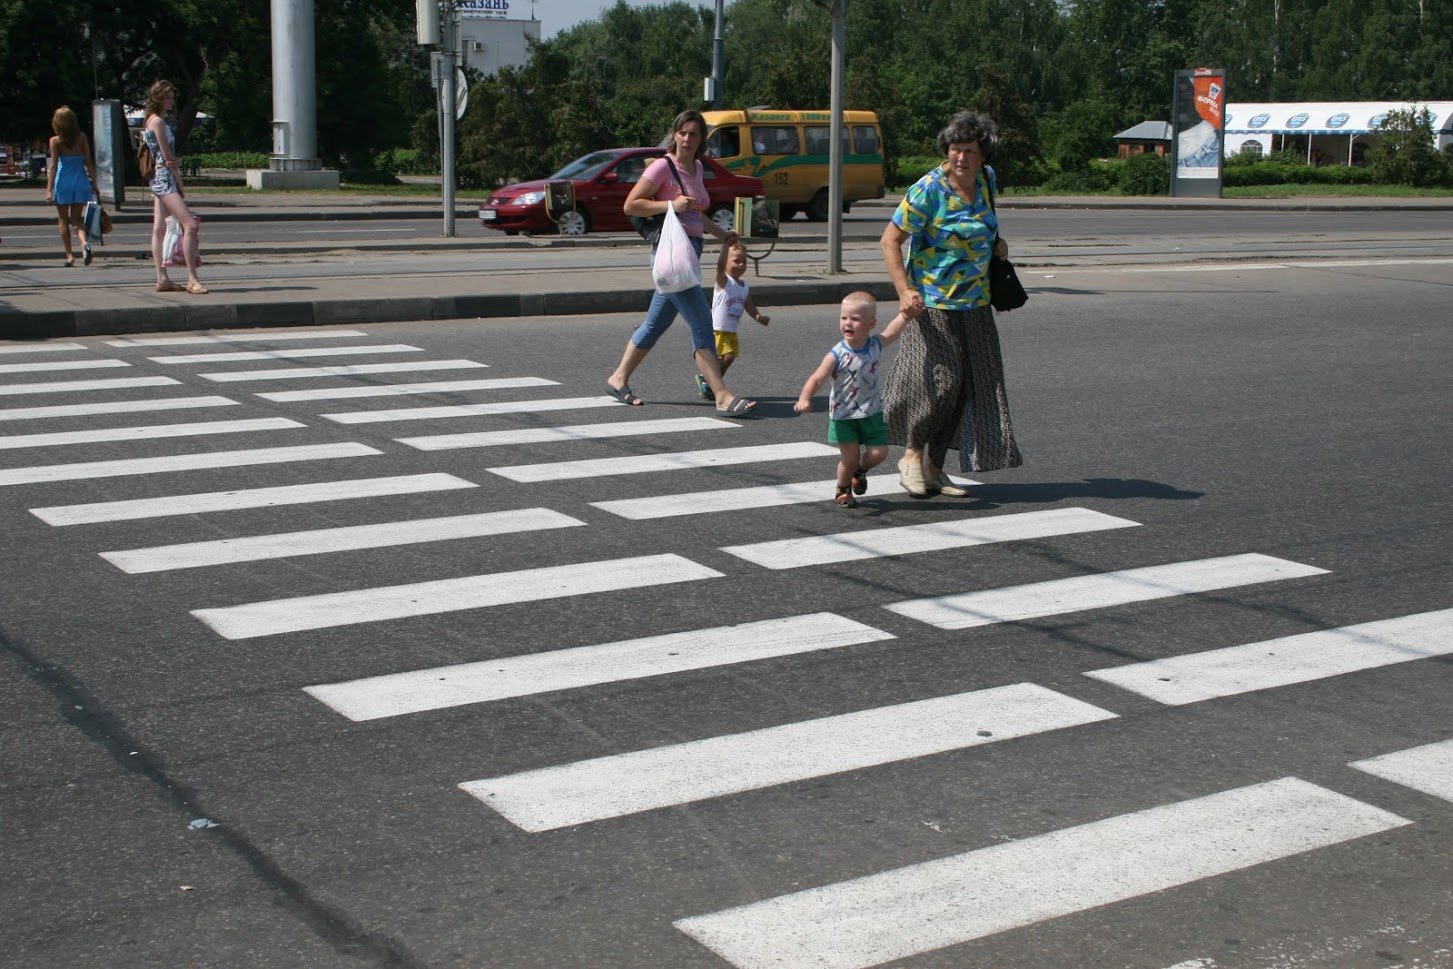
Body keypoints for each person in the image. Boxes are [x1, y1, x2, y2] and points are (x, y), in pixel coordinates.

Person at [879, 109, 1022, 499]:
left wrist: (997, 246)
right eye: (956, 149)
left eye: (969, 151)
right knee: (942, 382)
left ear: (983, 155)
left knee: (968, 389)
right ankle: (910, 455)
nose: (961, 157)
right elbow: (890, 240)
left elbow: (983, 226)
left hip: (977, 304)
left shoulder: (987, 182)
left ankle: (934, 467)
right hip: (933, 304)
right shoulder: (928, 189)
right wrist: (904, 290)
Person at [607, 109, 755, 416]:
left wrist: (720, 234)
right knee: (702, 322)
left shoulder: (697, 168)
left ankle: (618, 378)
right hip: (672, 256)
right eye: (683, 133)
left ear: (702, 139)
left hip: (691, 252)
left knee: (655, 324)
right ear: (674, 134)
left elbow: (695, 212)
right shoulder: (663, 167)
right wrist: (669, 204)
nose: (687, 139)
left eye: (694, 134)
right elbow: (630, 204)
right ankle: (722, 394)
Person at [794, 292, 909, 508]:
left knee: (879, 453)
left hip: (872, 411)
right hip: (844, 415)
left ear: (871, 323)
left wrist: (906, 315)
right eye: (844, 318)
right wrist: (805, 397)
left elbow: (892, 333)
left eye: (855, 319)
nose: (848, 323)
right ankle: (843, 489)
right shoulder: (837, 354)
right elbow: (818, 377)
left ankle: (860, 471)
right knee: (849, 458)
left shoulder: (875, 345)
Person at [142, 80, 207, 294]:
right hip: (164, 177)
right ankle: (192, 279)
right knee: (190, 224)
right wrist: (178, 177)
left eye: (172, 97)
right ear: (158, 98)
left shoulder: (152, 120)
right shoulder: (158, 122)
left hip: (160, 176)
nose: (171, 101)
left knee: (159, 228)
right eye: (168, 97)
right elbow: (168, 156)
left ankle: (162, 278)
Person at [694, 241, 770, 399]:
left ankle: (709, 381)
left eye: (744, 262)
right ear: (726, 262)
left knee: (729, 359)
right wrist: (725, 245)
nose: (741, 265)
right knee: (726, 356)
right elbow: (720, 266)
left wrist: (758, 316)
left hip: (731, 331)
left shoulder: (744, 286)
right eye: (736, 261)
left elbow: (748, 304)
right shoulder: (723, 281)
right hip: (718, 329)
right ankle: (711, 383)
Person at [45, 107, 99, 268]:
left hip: (63, 183)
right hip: (81, 182)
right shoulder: (82, 138)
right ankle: (83, 243)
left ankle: (69, 256)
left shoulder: (55, 141)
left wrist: (49, 189)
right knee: (77, 220)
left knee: (63, 220)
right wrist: (94, 184)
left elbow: (54, 166)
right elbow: (88, 162)